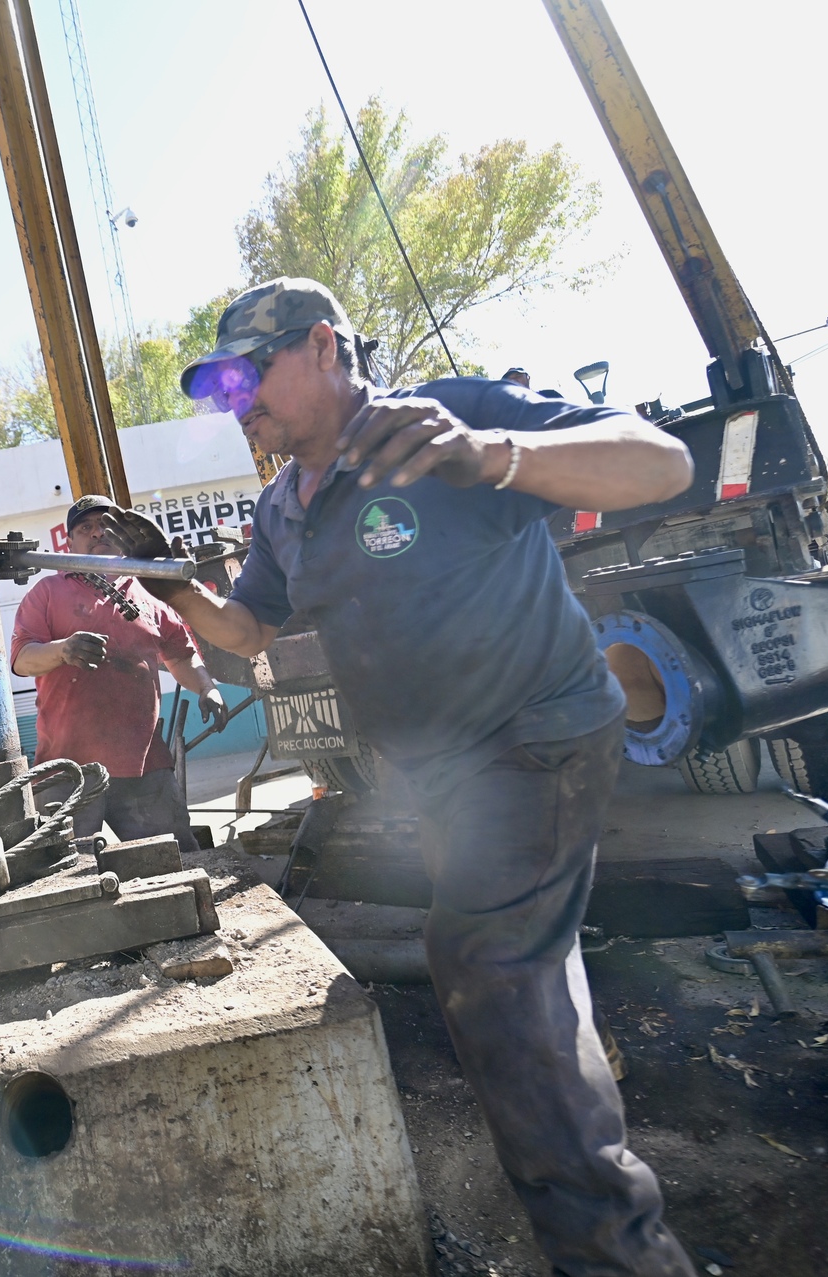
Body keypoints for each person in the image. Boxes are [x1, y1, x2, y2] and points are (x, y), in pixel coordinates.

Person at [151, 278, 696, 1276]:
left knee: (491, 970)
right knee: (519, 971)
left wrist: (495, 455)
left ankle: (622, 1257)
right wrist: (172, 586)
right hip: (444, 776)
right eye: (222, 390)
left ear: (324, 346)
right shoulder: (285, 509)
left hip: (536, 736)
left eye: (250, 374)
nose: (240, 403)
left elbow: (662, 463)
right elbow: (252, 629)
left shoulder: (449, 422)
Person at [10, 494, 230, 851]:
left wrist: (207, 688)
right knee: (63, 875)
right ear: (69, 542)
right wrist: (64, 650)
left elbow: (181, 655)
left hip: (145, 764)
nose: (97, 533)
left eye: (104, 525)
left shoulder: (150, 590)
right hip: (67, 768)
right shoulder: (47, 592)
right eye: (86, 528)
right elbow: (22, 659)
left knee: (179, 859)